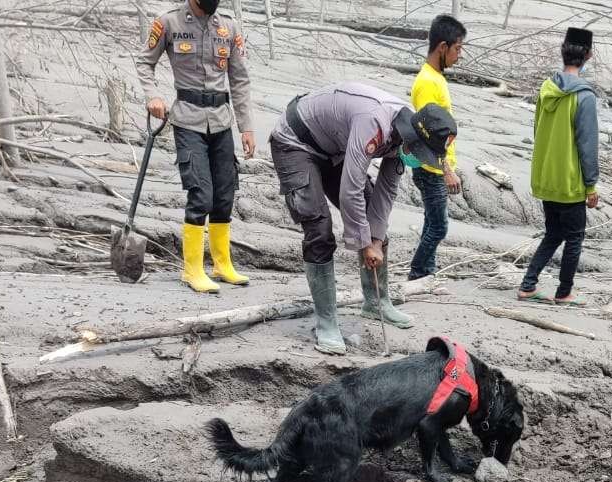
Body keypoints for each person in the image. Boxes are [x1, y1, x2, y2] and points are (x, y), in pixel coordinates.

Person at [269, 84, 456, 355]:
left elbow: (386, 191)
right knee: (320, 230)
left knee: (374, 224)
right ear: (412, 137)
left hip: (334, 148)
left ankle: (376, 303)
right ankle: (327, 322)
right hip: (296, 142)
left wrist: (375, 240)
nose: (420, 159)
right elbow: (350, 189)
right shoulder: (374, 122)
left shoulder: (407, 137)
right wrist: (364, 242)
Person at [137, 0, 255, 294]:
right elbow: (144, 61)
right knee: (201, 194)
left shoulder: (229, 26)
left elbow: (239, 79)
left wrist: (247, 127)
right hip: (188, 120)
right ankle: (192, 269)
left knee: (225, 193)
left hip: (221, 120)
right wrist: (153, 96)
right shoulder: (169, 22)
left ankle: (222, 264)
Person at [517, 27, 600, 308]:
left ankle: (528, 284)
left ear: (563, 50)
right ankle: (564, 292)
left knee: (553, 233)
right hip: (570, 182)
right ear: (588, 55)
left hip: (546, 178)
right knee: (574, 237)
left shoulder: (546, 88)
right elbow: (587, 146)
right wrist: (591, 185)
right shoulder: (585, 97)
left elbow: (538, 128)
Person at [407, 14, 466, 281]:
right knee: (439, 227)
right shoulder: (427, 83)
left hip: (435, 165)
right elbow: (431, 134)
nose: (460, 55)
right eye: (457, 48)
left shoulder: (435, 77)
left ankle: (426, 275)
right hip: (431, 166)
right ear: (442, 47)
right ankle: (418, 272)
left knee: (431, 223)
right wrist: (447, 170)